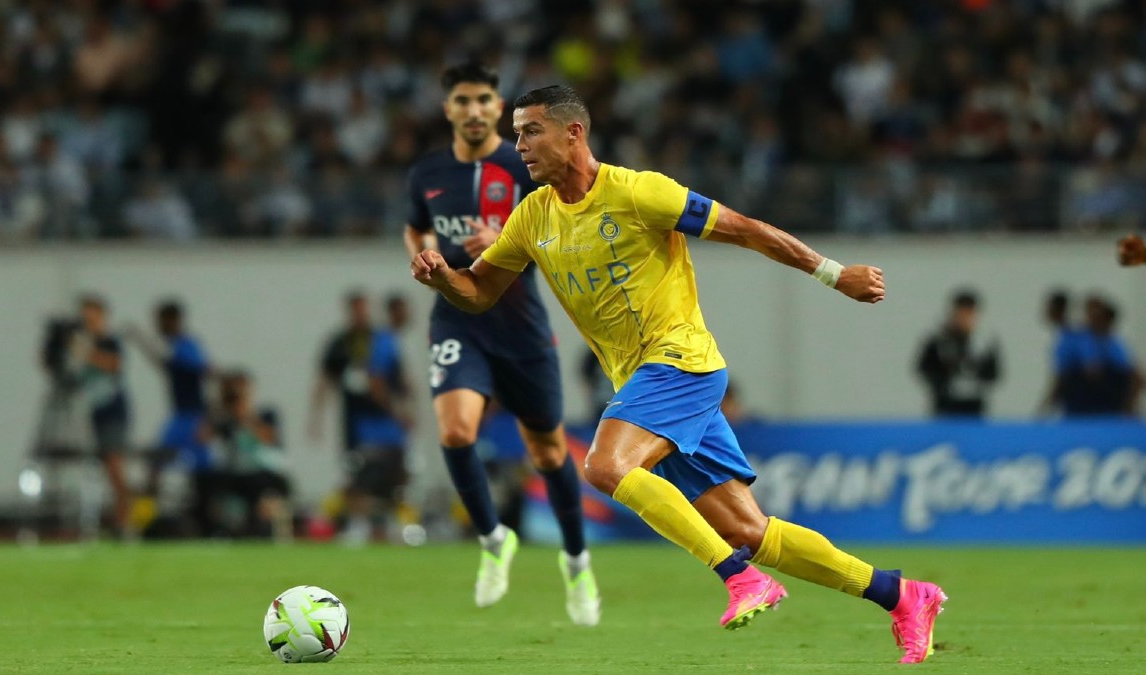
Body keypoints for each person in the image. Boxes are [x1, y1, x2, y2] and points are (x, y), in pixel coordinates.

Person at [411, 84, 944, 664]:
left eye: (531, 131)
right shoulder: (532, 216)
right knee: (748, 530)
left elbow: (745, 228)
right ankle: (902, 596)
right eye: (516, 134)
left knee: (606, 466)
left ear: (574, 133)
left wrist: (833, 274)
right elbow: (479, 291)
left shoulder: (640, 192)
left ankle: (739, 578)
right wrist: (444, 279)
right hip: (645, 382)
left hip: (681, 362)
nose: (519, 146)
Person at [402, 63, 599, 626]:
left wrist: (508, 239)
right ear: (449, 109)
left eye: (484, 99)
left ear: (496, 106)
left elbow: (563, 227)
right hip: (457, 318)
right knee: (456, 430)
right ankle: (493, 539)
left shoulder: (524, 164)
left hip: (520, 323)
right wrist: (423, 254)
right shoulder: (428, 172)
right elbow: (415, 226)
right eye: (462, 100)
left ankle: (577, 561)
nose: (473, 110)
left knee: (549, 453)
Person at [309, 291, 410, 544]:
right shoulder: (340, 342)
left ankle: (387, 522)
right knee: (358, 473)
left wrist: (404, 409)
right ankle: (359, 522)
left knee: (393, 473)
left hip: (386, 422)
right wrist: (316, 419)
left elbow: (397, 377)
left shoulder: (381, 339)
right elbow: (325, 380)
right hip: (358, 421)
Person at [124, 299, 216, 536]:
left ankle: (208, 524)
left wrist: (209, 420)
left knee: (199, 474)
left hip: (192, 418)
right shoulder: (175, 347)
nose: (159, 326)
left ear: (173, 320)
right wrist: (140, 339)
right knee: (158, 468)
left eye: (161, 321)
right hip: (181, 416)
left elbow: (206, 372)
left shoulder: (186, 345)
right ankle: (143, 522)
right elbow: (163, 362)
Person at [209, 369, 292, 540]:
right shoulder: (225, 420)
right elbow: (202, 437)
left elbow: (269, 439)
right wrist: (219, 408)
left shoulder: (266, 414)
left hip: (263, 472)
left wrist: (247, 416)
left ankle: (272, 531)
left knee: (273, 494)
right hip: (236, 474)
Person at [76, 294, 132, 535]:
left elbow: (114, 365)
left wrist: (85, 352)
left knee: (114, 464)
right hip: (96, 410)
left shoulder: (108, 342)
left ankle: (125, 519)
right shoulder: (83, 342)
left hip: (112, 409)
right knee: (105, 466)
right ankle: (115, 518)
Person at [915, 289, 1001, 417]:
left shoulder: (984, 343)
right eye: (961, 314)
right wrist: (942, 383)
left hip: (975, 406)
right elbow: (924, 368)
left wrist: (977, 383)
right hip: (944, 405)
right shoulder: (938, 341)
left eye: (969, 314)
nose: (964, 319)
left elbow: (993, 373)